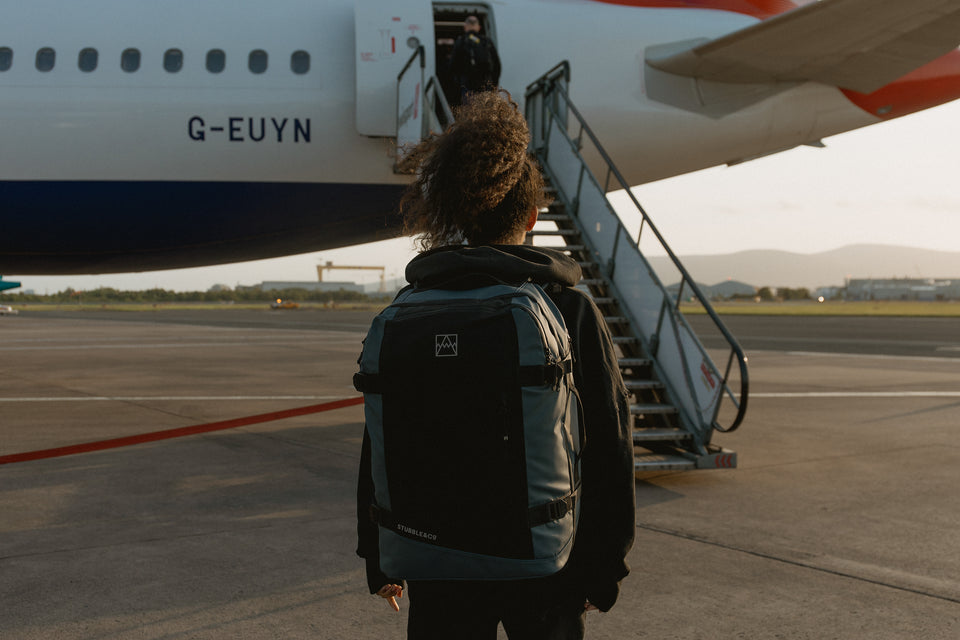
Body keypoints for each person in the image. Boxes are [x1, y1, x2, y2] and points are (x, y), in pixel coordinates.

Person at [356, 91, 635, 640]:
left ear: (453, 216)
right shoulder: (568, 309)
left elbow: (381, 440)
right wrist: (604, 569)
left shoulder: (408, 313)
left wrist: (379, 555)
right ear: (531, 217)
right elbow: (610, 440)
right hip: (548, 565)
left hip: (436, 562)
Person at [450, 15, 501, 102]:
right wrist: (493, 85)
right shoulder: (486, 41)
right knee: (485, 112)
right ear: (479, 27)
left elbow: (453, 66)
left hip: (468, 85)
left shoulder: (461, 41)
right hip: (486, 86)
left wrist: (458, 86)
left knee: (470, 112)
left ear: (465, 27)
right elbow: (497, 66)